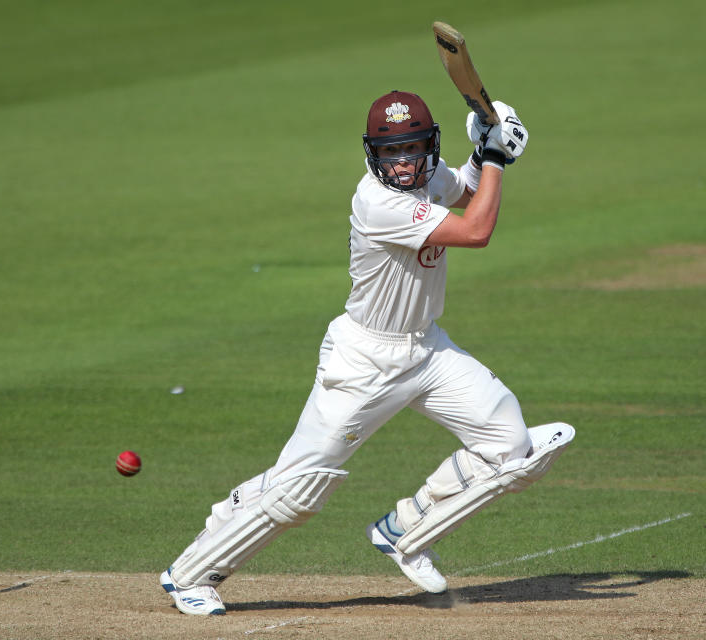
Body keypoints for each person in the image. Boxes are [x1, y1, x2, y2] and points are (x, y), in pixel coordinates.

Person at [160, 90, 575, 616]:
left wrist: (483, 153)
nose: (401, 164)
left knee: (511, 446)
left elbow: (465, 194)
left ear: (429, 146)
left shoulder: (424, 176)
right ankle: (191, 573)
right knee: (300, 489)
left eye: (411, 150)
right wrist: (498, 157)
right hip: (364, 362)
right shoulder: (377, 201)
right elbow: (477, 229)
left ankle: (405, 528)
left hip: (426, 349)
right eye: (389, 154)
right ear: (371, 155)